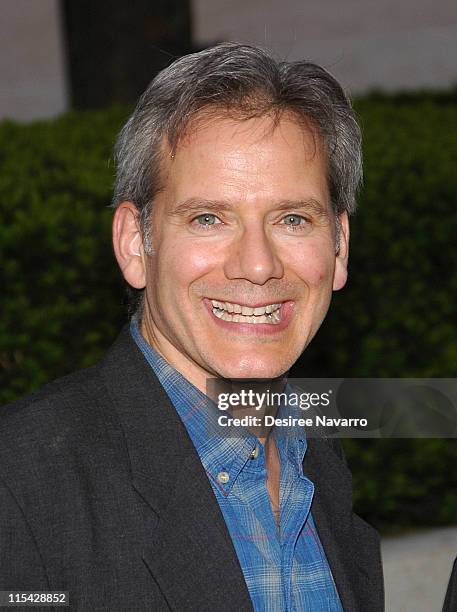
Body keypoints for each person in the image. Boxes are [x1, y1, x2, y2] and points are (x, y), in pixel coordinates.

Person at [0, 43, 384, 611]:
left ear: (339, 246)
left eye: (293, 219)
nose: (257, 265)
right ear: (136, 243)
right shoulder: (23, 482)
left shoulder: (319, 457)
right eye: (209, 219)